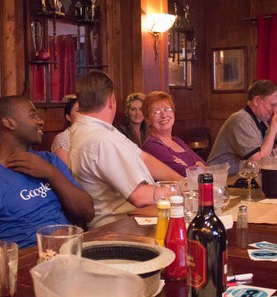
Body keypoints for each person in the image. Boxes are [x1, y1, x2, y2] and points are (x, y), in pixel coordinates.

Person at [0, 96, 94, 248]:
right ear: (9, 123)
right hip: (30, 264)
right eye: (32, 115)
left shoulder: (49, 161)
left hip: (72, 249)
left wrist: (50, 173)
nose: (40, 121)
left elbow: (88, 212)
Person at [69, 71, 182, 227]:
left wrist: (183, 181)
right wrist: (182, 189)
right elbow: (140, 196)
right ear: (111, 101)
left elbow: (142, 157)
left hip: (135, 220)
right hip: (121, 228)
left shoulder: (92, 129)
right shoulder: (102, 140)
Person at [207, 79, 277, 175]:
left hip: (240, 180)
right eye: (272, 105)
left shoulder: (261, 122)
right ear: (257, 101)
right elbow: (259, 163)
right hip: (221, 181)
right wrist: (273, 128)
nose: (275, 111)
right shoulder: (241, 120)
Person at [141, 91, 206, 177]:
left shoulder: (177, 140)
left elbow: (207, 167)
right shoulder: (151, 145)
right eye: (156, 112)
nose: (164, 115)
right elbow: (184, 174)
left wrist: (196, 167)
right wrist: (198, 165)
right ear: (147, 119)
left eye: (167, 109)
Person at [50, 95, 79, 166]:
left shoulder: (91, 133)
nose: (83, 114)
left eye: (85, 111)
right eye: (78, 111)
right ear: (68, 117)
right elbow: (64, 172)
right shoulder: (62, 138)